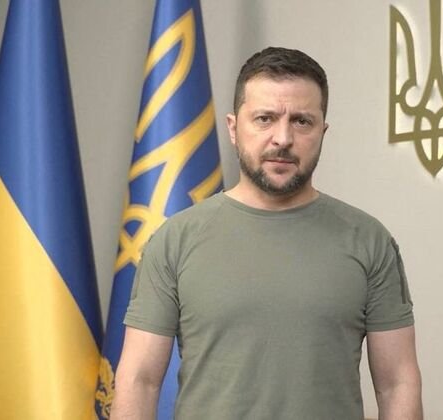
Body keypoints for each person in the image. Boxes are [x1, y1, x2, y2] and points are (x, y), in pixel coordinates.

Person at [110, 46, 423, 420]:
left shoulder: (370, 241)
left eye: (302, 121)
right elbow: (140, 380)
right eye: (265, 118)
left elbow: (397, 383)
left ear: (322, 131)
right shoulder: (174, 241)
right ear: (233, 128)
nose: (282, 138)